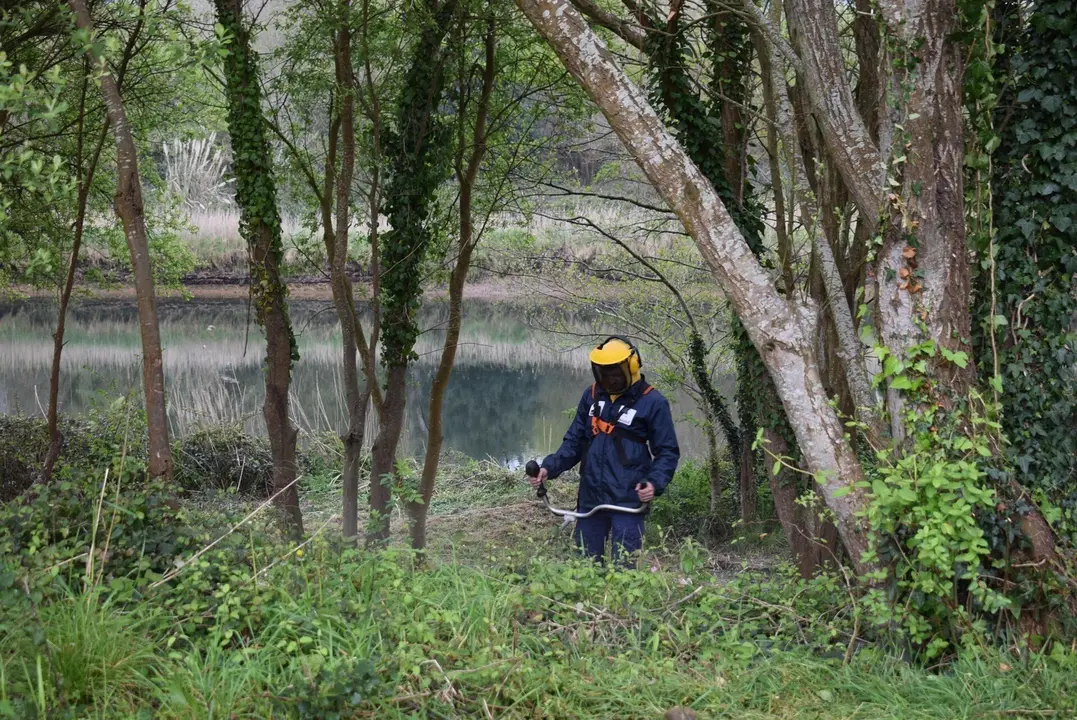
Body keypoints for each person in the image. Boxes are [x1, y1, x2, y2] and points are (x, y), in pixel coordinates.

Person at [529, 336, 680, 564]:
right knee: (585, 567)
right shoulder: (591, 397)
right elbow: (574, 442)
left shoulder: (653, 402)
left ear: (630, 367)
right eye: (604, 372)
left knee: (624, 569)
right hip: (591, 499)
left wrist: (653, 483)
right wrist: (548, 468)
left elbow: (667, 452)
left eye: (615, 372)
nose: (609, 379)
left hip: (628, 500)